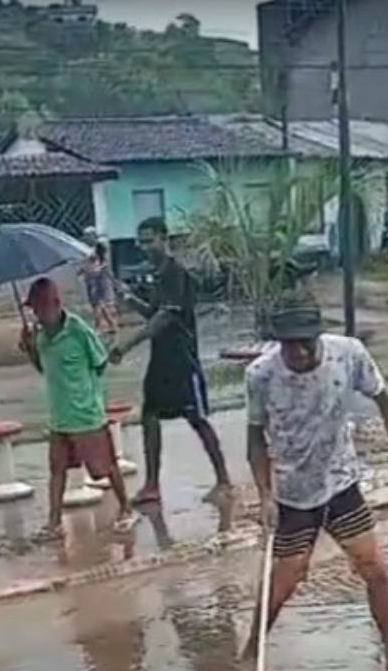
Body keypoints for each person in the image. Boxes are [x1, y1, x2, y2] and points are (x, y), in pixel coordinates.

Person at [241, 319, 388, 671]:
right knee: (284, 582)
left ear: (318, 336)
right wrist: (264, 495)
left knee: (375, 571)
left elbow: (387, 404)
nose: (297, 352)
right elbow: (255, 439)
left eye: (305, 343)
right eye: (288, 344)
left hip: (341, 484)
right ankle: (250, 655)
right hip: (294, 495)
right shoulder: (260, 374)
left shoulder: (349, 353)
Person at [109, 216, 233, 505]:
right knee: (150, 417)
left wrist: (127, 344)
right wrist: (130, 300)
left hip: (182, 360)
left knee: (197, 419)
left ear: (164, 239)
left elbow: (165, 318)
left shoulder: (176, 273)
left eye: (150, 240)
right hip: (161, 360)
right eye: (141, 241)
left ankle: (224, 480)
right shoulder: (159, 275)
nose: (145, 247)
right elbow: (154, 313)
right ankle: (152, 485)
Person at [21, 277, 138, 540]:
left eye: (41, 308)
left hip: (85, 414)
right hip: (58, 416)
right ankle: (54, 523)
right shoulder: (38, 337)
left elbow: (100, 362)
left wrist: (87, 392)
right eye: (34, 310)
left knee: (106, 467)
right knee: (56, 470)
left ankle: (126, 507)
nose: (38, 315)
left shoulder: (78, 330)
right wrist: (30, 350)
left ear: (56, 304)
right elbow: (44, 369)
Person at [81, 241, 118, 343]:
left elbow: (97, 272)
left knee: (97, 306)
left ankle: (98, 327)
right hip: (95, 285)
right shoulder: (94, 259)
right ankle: (112, 325)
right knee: (101, 306)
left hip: (98, 286)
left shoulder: (101, 262)